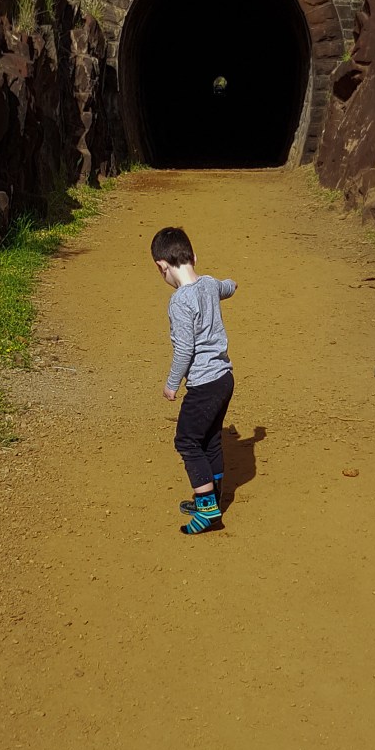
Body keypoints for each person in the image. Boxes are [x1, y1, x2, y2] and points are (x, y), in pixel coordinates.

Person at [151, 225, 237, 536]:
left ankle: (208, 510)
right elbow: (227, 286)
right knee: (210, 439)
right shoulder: (210, 284)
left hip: (203, 385)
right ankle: (213, 497)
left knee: (186, 441)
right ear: (194, 257)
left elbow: (184, 348)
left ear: (162, 266)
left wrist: (172, 383)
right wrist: (233, 284)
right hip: (224, 379)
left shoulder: (179, 302)